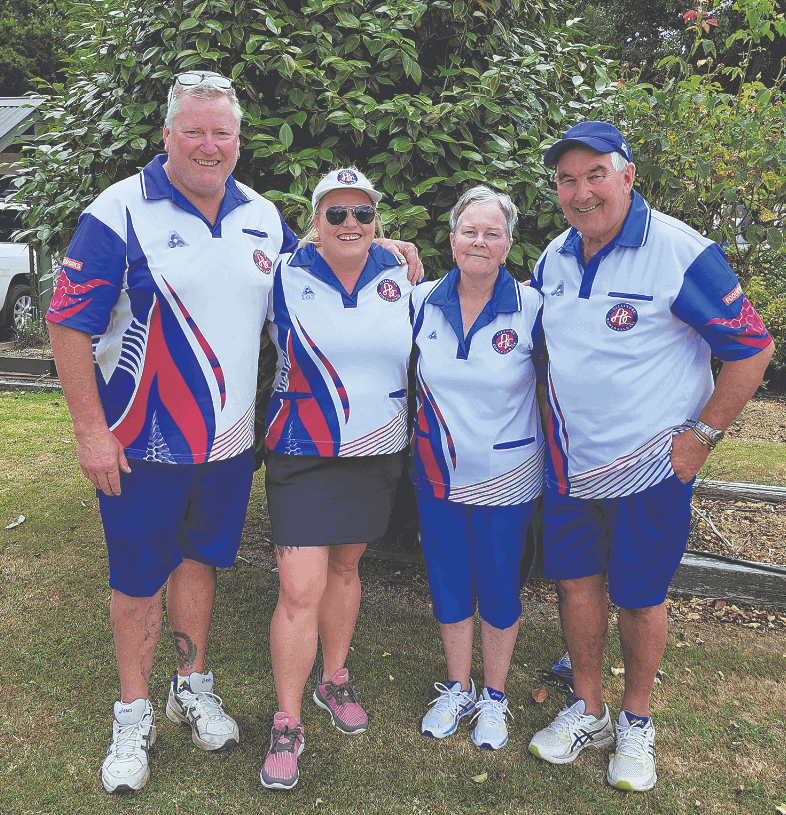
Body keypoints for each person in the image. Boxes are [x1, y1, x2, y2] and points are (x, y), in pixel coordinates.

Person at [46, 74, 421, 794]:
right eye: (194, 130)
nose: (209, 145)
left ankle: (191, 685)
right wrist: (90, 429)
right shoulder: (118, 211)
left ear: (239, 141)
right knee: (136, 580)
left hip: (225, 445)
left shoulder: (259, 217)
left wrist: (380, 244)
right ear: (167, 136)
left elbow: (318, 260)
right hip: (140, 441)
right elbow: (68, 321)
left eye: (222, 132)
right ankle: (132, 714)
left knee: (198, 562)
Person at [527, 121, 774, 791]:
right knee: (575, 584)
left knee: (638, 597)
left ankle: (635, 722)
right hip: (571, 463)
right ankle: (589, 709)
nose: (580, 192)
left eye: (593, 175)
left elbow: (752, 349)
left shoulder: (679, 252)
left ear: (627, 175)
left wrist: (701, 436)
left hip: (650, 469)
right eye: (566, 180)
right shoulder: (552, 257)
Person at [258, 168, 417, 791]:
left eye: (362, 213)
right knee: (300, 589)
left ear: (378, 218)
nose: (349, 224)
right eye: (335, 213)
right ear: (314, 219)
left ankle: (335, 678)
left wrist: (406, 253)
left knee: (346, 571)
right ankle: (288, 720)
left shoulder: (404, 276)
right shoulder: (278, 272)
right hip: (301, 451)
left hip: (376, 451)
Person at [410, 186, 544, 751]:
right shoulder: (417, 300)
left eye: (493, 233)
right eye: (471, 231)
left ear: (509, 244)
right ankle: (457, 686)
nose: (480, 242)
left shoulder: (534, 308)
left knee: (497, 585)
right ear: (452, 238)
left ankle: (494, 696)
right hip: (436, 471)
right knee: (447, 582)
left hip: (508, 475)